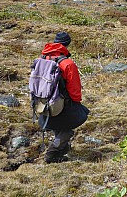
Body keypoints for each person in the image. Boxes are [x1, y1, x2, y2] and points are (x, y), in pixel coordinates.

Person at [38, 31, 89, 163]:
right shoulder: (67, 64)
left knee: (59, 124)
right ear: (67, 45)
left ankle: (63, 149)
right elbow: (75, 90)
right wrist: (76, 102)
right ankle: (52, 153)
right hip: (62, 102)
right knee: (70, 126)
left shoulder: (42, 59)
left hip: (43, 102)